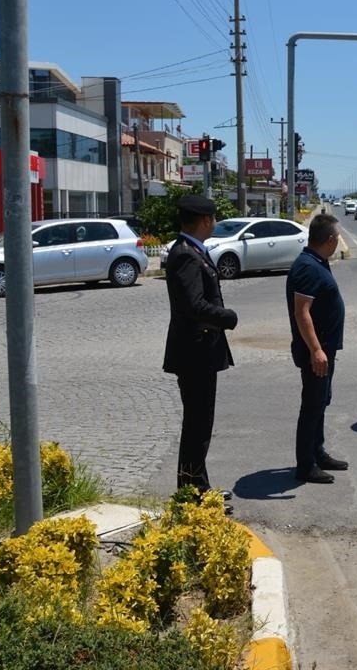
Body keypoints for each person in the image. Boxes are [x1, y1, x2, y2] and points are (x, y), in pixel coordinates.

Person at [162, 194, 238, 510]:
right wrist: (227, 317)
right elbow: (193, 306)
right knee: (196, 425)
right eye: (214, 219)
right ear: (205, 221)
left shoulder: (192, 251)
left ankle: (197, 487)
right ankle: (192, 495)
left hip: (200, 352)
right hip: (194, 354)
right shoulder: (185, 256)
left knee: (200, 424)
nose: (216, 224)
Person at [287, 213, 348, 484]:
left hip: (324, 349)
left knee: (321, 401)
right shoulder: (307, 267)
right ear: (331, 240)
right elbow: (302, 312)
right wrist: (316, 350)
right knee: (311, 405)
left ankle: (317, 451)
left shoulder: (317, 262)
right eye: (338, 238)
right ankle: (305, 464)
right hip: (316, 352)